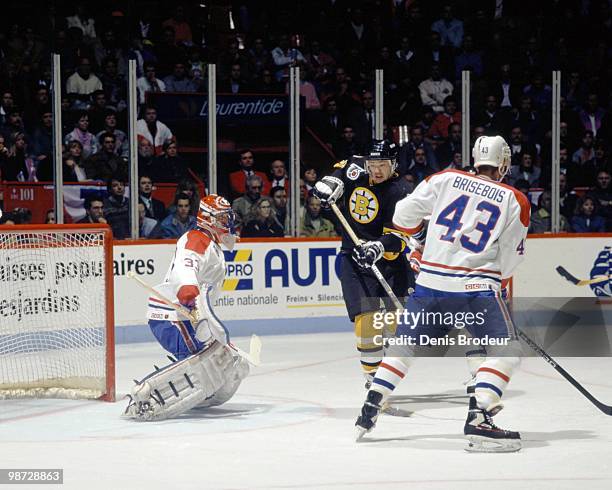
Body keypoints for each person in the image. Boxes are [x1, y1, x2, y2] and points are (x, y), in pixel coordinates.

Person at [355, 135, 529, 453]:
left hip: (430, 284)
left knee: (405, 346)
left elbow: (403, 215)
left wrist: (421, 243)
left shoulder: (446, 178)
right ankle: (480, 421)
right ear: (503, 163)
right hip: (475, 290)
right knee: (505, 351)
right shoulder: (514, 199)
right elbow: (509, 260)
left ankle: (372, 403)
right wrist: (497, 284)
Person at [124, 194, 249, 420]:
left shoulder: (211, 244)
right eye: (222, 218)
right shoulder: (196, 238)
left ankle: (193, 391)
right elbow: (186, 263)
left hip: (186, 314)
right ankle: (143, 395)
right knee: (202, 357)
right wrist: (187, 287)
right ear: (208, 218)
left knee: (217, 355)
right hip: (171, 313)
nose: (227, 223)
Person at [313, 140, 414, 384]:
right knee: (366, 320)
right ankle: (373, 382)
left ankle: (387, 373)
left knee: (395, 326)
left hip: (390, 260)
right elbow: (337, 176)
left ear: (394, 165)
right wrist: (329, 185)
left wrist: (378, 247)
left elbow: (400, 238)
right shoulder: (356, 167)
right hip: (355, 258)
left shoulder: (401, 192)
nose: (376, 170)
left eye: (382, 165)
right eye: (373, 164)